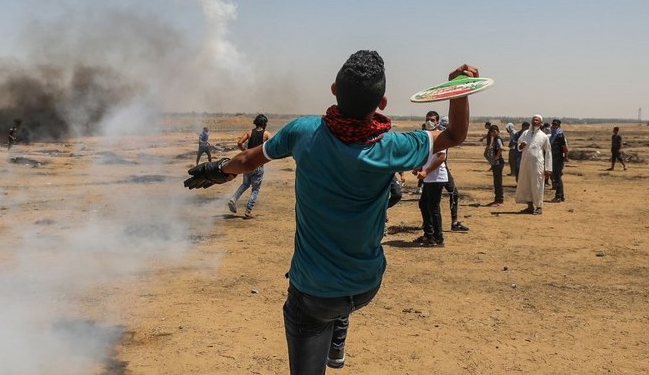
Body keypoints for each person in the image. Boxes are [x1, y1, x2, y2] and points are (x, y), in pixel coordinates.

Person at [184, 51, 476, 373]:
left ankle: (333, 328)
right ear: (382, 102)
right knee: (339, 305)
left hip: (313, 292)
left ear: (334, 88)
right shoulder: (394, 146)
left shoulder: (303, 132)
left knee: (310, 324)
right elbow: (454, 135)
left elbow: (247, 160)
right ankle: (338, 335)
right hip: (365, 284)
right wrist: (459, 90)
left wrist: (217, 169)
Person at [412, 117, 449, 247]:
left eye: (432, 120)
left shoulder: (440, 136)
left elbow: (441, 158)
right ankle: (429, 235)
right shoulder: (426, 137)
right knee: (424, 205)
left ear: (437, 122)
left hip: (436, 178)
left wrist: (426, 171)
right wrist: (419, 167)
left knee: (433, 207)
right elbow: (426, 156)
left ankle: (438, 238)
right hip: (429, 178)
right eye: (428, 119)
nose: (429, 122)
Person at [227, 114, 272, 219]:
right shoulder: (266, 134)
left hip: (247, 164)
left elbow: (239, 143)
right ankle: (248, 211)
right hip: (258, 164)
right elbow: (273, 143)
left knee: (245, 184)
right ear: (264, 124)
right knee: (255, 189)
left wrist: (245, 152)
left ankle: (233, 199)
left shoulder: (249, 133)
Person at [435, 114, 469, 232]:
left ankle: (452, 223)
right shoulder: (440, 136)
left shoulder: (442, 134)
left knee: (450, 194)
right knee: (434, 198)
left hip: (441, 168)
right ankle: (431, 225)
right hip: (436, 169)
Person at [514, 114, 552, 215]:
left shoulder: (544, 136)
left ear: (540, 123)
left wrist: (548, 168)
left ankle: (539, 207)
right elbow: (518, 145)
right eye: (533, 120)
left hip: (537, 165)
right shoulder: (525, 133)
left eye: (537, 120)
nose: (535, 122)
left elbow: (548, 152)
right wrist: (520, 146)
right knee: (526, 184)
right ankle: (530, 206)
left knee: (537, 185)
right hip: (525, 163)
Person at [548, 119, 569, 202]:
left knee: (557, 177)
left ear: (558, 126)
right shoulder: (552, 135)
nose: (553, 126)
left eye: (555, 125)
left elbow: (565, 148)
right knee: (555, 177)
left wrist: (566, 157)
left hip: (558, 159)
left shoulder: (559, 135)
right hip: (553, 158)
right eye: (553, 124)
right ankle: (561, 195)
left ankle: (559, 196)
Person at [487, 125, 506, 206]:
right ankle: (497, 199)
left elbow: (501, 148)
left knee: (498, 182)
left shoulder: (498, 139)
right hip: (496, 163)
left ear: (498, 131)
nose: (493, 133)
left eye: (495, 132)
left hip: (498, 163)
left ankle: (499, 200)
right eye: (492, 132)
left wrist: (497, 156)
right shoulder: (494, 139)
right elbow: (490, 147)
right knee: (496, 181)